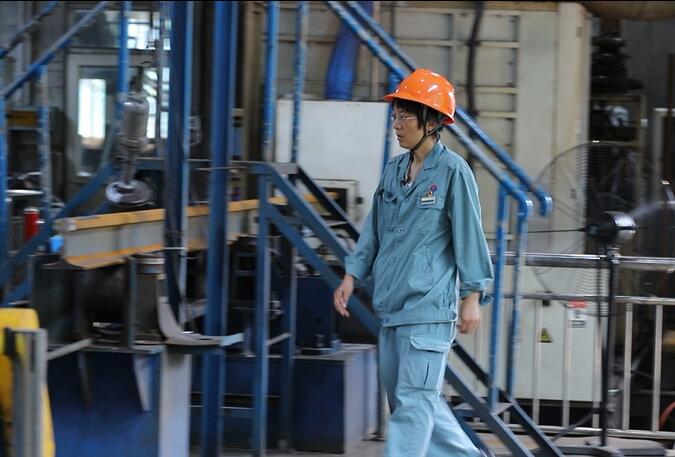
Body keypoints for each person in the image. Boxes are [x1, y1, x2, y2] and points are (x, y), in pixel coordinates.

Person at [333, 68, 494, 456]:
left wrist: (472, 296)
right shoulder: (394, 171)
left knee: (413, 407)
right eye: (396, 116)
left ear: (432, 122)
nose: (397, 125)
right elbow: (373, 230)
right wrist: (352, 274)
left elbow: (469, 235)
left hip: (428, 311)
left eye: (405, 117)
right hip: (392, 308)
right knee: (415, 403)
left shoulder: (453, 172)